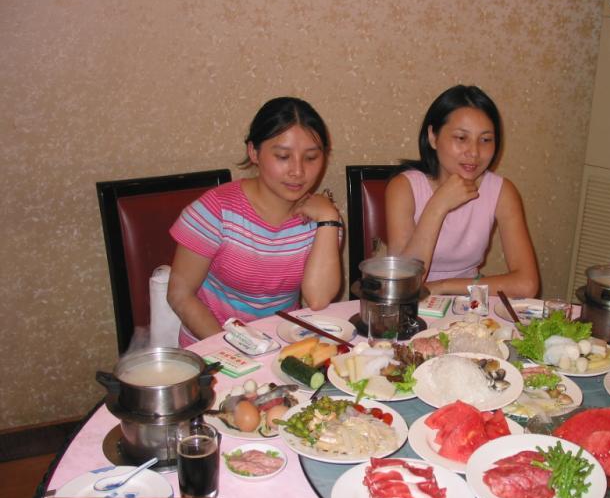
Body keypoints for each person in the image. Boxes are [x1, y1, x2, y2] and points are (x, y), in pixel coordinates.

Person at [168, 97, 342, 347]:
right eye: (283, 156)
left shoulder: (322, 219)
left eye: (311, 157)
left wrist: (328, 219)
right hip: (214, 349)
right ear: (254, 152)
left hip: (282, 347)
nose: (298, 171)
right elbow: (180, 294)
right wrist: (234, 349)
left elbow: (318, 299)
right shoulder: (216, 211)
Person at [385, 85, 540, 298]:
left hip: (467, 303)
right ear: (433, 137)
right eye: (461, 138)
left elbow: (527, 284)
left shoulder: (502, 192)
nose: (474, 152)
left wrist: (442, 286)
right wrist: (438, 205)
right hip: (411, 304)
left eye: (485, 140)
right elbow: (403, 282)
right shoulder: (404, 188)